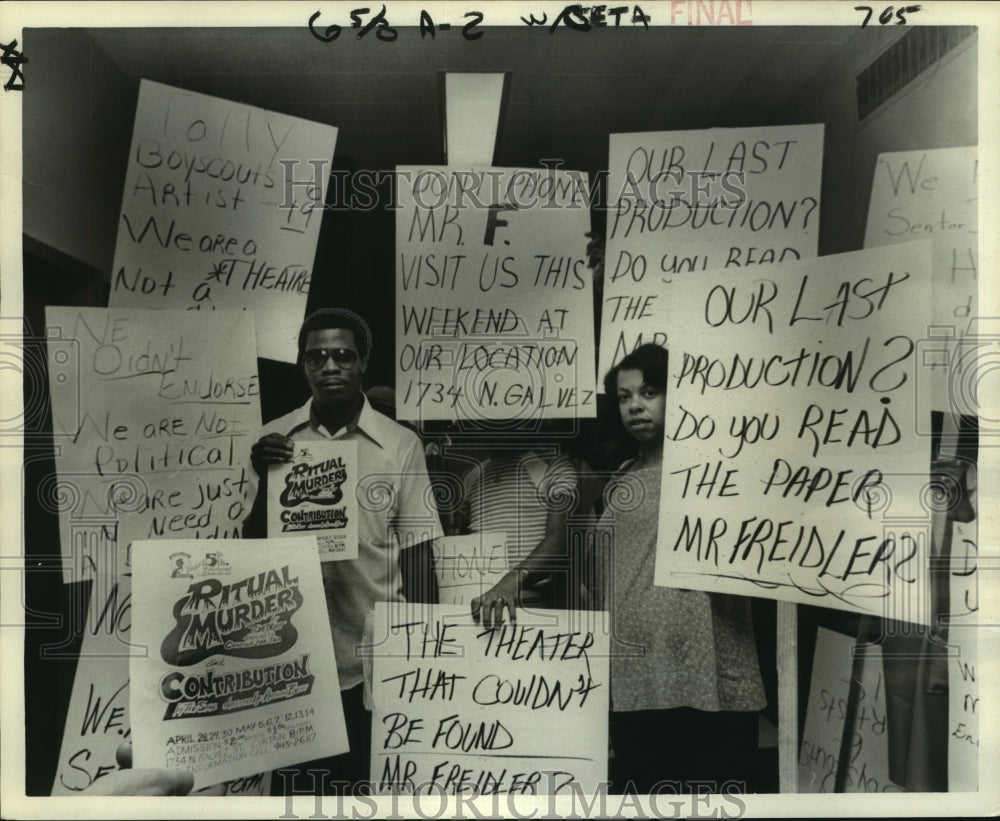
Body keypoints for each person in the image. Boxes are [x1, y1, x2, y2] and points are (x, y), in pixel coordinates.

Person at [244, 307, 442, 794]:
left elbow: (417, 552)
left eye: (342, 356)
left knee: (370, 795)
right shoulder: (273, 439)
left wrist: (425, 653)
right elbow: (248, 553)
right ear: (302, 365)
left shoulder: (400, 444)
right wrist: (262, 480)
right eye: (317, 358)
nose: (329, 367)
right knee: (299, 795)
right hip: (294, 664)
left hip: (375, 661)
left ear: (362, 364)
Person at [597, 344, 765, 794]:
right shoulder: (622, 477)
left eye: (650, 392)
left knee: (709, 796)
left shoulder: (717, 468)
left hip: (706, 673)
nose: (635, 405)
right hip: (636, 675)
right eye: (624, 396)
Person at [461, 442, 580, 627]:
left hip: (530, 608)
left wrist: (510, 582)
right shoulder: (472, 476)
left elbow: (560, 536)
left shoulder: (553, 464)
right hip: (477, 607)